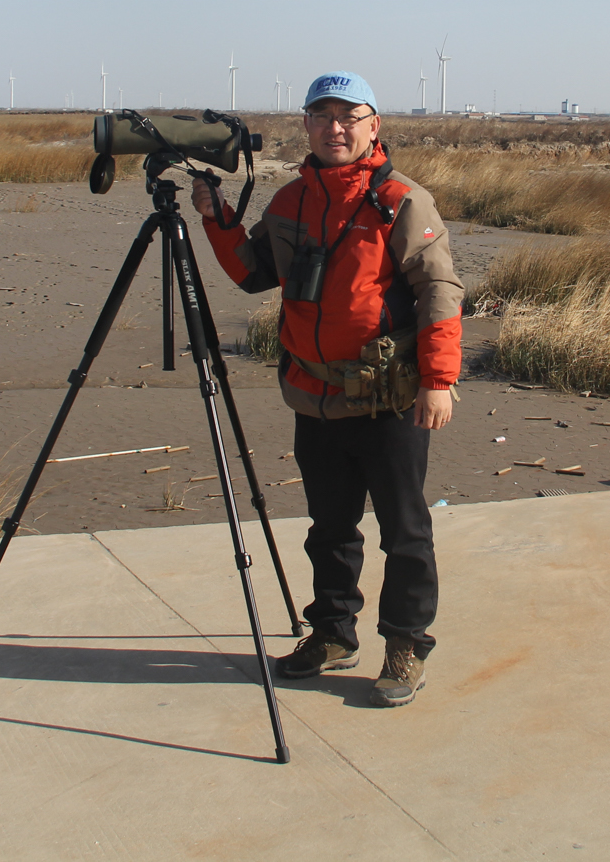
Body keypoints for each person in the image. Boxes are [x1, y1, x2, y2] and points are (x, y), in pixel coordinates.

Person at [192, 70, 463, 707]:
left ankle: (406, 643)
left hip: (388, 399)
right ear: (307, 126)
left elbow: (439, 291)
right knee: (330, 528)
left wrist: (438, 380)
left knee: (404, 531)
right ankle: (334, 633)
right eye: (322, 117)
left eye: (349, 117)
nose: (334, 129)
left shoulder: (402, 200)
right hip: (314, 398)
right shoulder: (291, 200)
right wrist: (217, 219)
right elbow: (253, 273)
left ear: (374, 126)